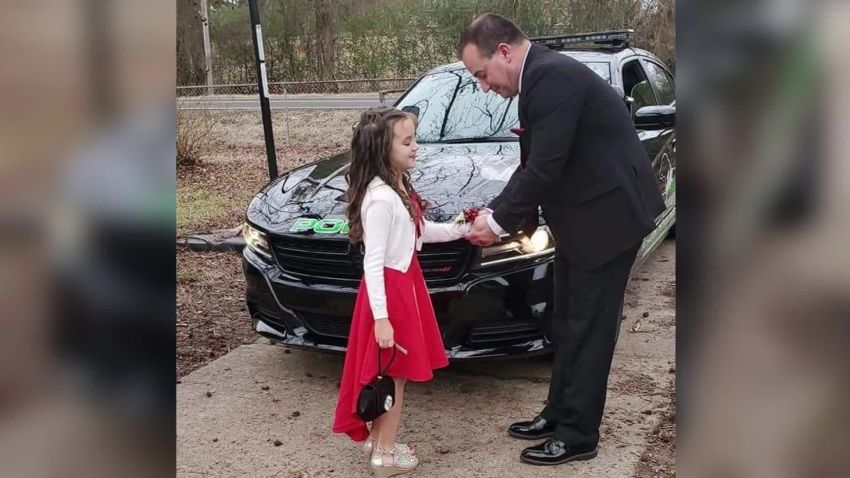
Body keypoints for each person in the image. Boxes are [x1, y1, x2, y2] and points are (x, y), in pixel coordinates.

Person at [459, 14, 666, 466]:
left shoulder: (551, 79)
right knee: (566, 319)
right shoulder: (539, 79)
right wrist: (497, 211)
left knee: (589, 329)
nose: (484, 85)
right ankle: (558, 413)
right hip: (582, 218)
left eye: (482, 73)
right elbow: (535, 164)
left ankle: (577, 435)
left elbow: (545, 168)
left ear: (504, 52)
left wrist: (494, 227)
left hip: (608, 219)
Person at [332, 106, 470, 477]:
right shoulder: (380, 200)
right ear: (381, 148)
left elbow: (421, 233)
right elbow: (372, 263)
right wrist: (382, 318)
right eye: (407, 141)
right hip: (391, 296)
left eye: (415, 139)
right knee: (394, 376)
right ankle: (385, 456)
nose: (415, 147)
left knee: (391, 373)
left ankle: (378, 443)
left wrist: (462, 227)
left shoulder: (398, 190)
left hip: (404, 287)